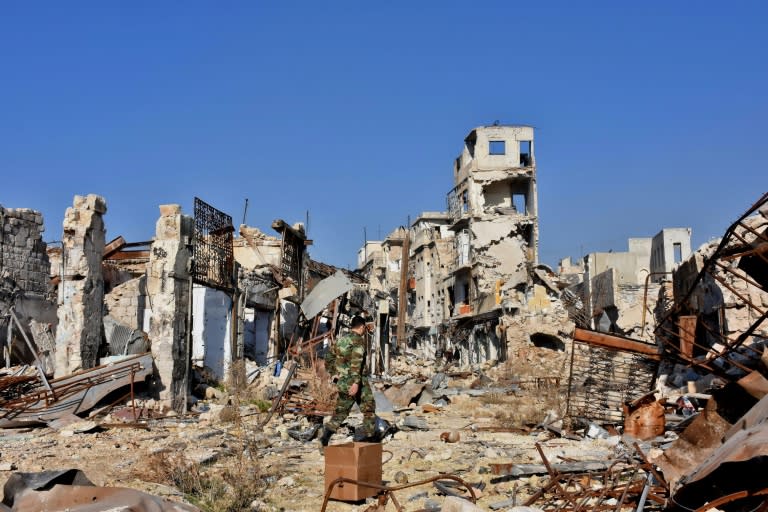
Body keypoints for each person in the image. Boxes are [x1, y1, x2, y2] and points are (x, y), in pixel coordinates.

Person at [318, 315, 376, 451]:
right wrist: (356, 383)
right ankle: (370, 440)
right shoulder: (358, 341)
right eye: (364, 328)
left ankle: (325, 438)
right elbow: (357, 363)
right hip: (357, 382)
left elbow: (328, 358)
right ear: (361, 327)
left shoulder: (341, 340)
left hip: (343, 382)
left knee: (340, 413)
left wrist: (334, 374)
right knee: (369, 408)